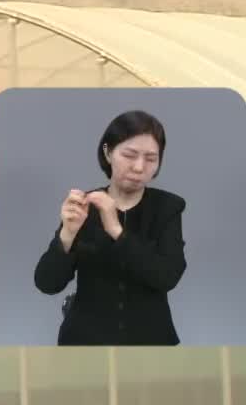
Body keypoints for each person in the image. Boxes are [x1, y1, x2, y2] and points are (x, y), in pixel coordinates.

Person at [32, 109, 186, 346]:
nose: (139, 167)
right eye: (129, 155)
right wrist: (67, 234)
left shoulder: (168, 208)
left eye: (151, 158)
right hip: (84, 342)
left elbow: (166, 276)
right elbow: (47, 283)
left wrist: (116, 230)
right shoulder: (84, 205)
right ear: (108, 152)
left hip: (152, 343)